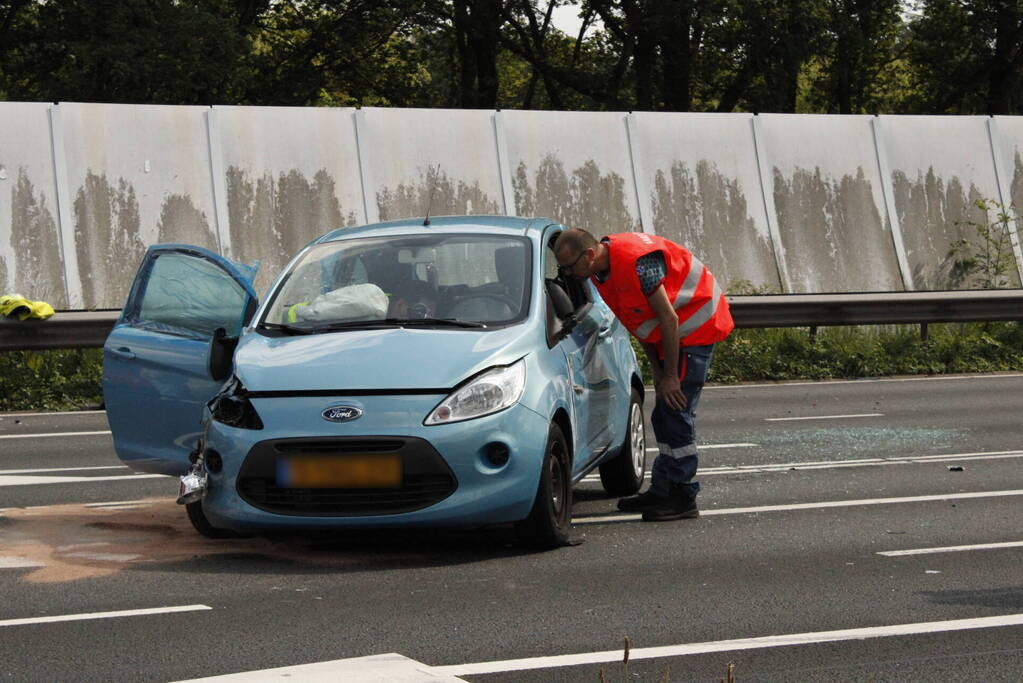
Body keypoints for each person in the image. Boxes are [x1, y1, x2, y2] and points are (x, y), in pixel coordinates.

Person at [554, 228, 733, 522]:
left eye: (570, 267)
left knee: (676, 413)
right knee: (662, 416)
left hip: (693, 329)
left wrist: (671, 376)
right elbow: (642, 325)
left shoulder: (638, 263)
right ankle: (664, 488)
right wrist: (658, 372)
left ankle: (683, 496)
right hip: (673, 335)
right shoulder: (602, 273)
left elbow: (668, 318)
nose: (568, 274)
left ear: (589, 254)